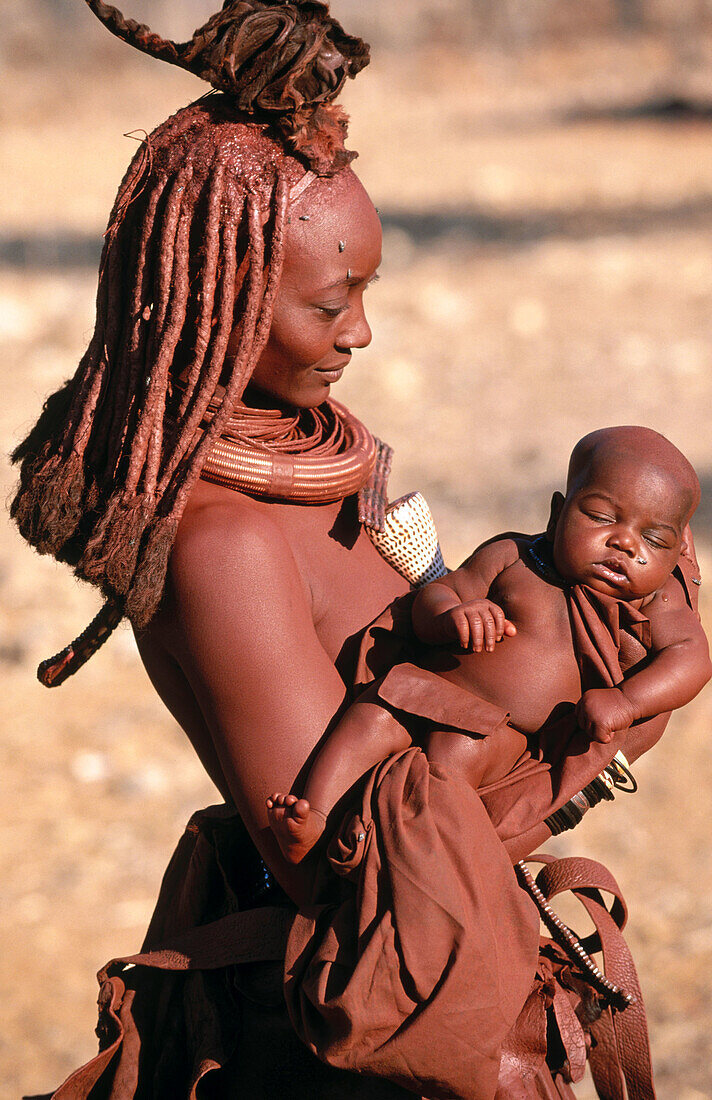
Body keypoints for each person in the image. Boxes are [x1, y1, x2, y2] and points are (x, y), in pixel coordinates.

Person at [10, 3, 698, 1098]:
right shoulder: (223, 544)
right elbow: (345, 864)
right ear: (226, 303)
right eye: (334, 302)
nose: (362, 333)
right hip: (362, 1034)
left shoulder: (344, 471)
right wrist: (551, 748)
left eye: (366, 292)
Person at [267, 426, 711, 865]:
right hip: (427, 689)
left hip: (498, 731)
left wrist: (628, 702)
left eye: (654, 540)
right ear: (558, 514)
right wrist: (449, 615)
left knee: (448, 761)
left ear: (676, 557)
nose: (625, 542)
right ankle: (315, 816)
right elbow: (439, 594)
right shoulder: (514, 556)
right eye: (600, 516)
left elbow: (692, 659)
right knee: (371, 716)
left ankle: (393, 844)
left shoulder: (657, 603)